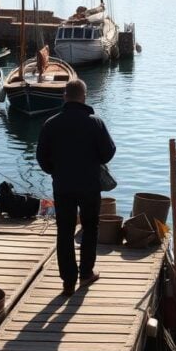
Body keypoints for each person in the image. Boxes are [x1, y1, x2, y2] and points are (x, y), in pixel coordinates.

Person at [36, 79, 116, 296]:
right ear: (84, 96)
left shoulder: (51, 124)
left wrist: (56, 170)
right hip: (89, 184)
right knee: (90, 227)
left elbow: (41, 157)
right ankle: (86, 273)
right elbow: (109, 152)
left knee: (65, 231)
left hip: (62, 185)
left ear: (64, 96)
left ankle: (68, 281)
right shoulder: (95, 122)